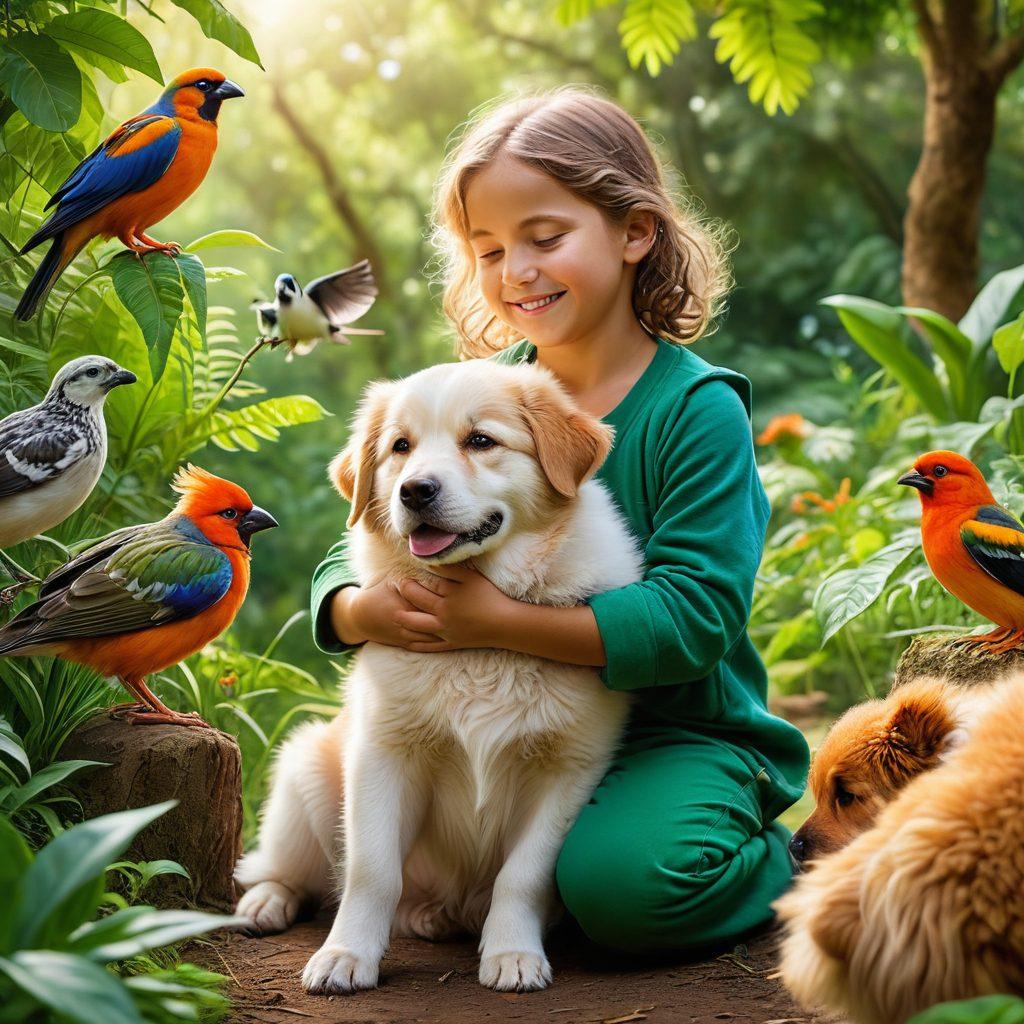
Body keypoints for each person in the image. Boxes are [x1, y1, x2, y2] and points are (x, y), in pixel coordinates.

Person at [309, 88, 809, 955]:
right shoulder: (473, 391)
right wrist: (353, 609)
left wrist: (494, 620)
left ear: (635, 232)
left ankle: (784, 867)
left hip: (675, 732)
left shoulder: (697, 411)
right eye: (489, 248)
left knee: (623, 889)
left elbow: (697, 618)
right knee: (554, 886)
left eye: (545, 238)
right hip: (514, 735)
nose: (516, 272)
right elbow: (370, 529)